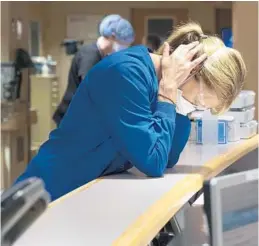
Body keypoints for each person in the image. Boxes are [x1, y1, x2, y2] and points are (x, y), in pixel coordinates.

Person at [16, 22, 246, 201]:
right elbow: (153, 163)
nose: (199, 106)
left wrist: (181, 107)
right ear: (190, 68)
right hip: (50, 188)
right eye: (200, 99)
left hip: (85, 190)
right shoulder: (127, 74)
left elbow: (168, 158)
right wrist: (168, 94)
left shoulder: (164, 84)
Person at [53, 14, 135, 126]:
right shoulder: (90, 55)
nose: (125, 48)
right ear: (113, 36)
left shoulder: (104, 56)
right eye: (124, 44)